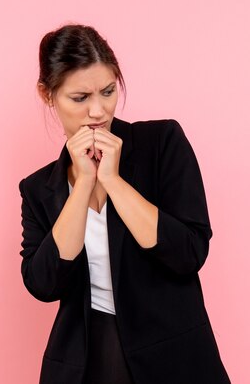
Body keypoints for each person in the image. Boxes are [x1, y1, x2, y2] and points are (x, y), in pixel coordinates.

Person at [18, 23, 231, 384]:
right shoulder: (39, 188)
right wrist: (83, 182)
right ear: (47, 95)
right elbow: (43, 285)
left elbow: (189, 253)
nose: (98, 111)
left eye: (108, 91)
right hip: (87, 361)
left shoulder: (162, 143)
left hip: (173, 355)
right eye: (80, 98)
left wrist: (113, 181)